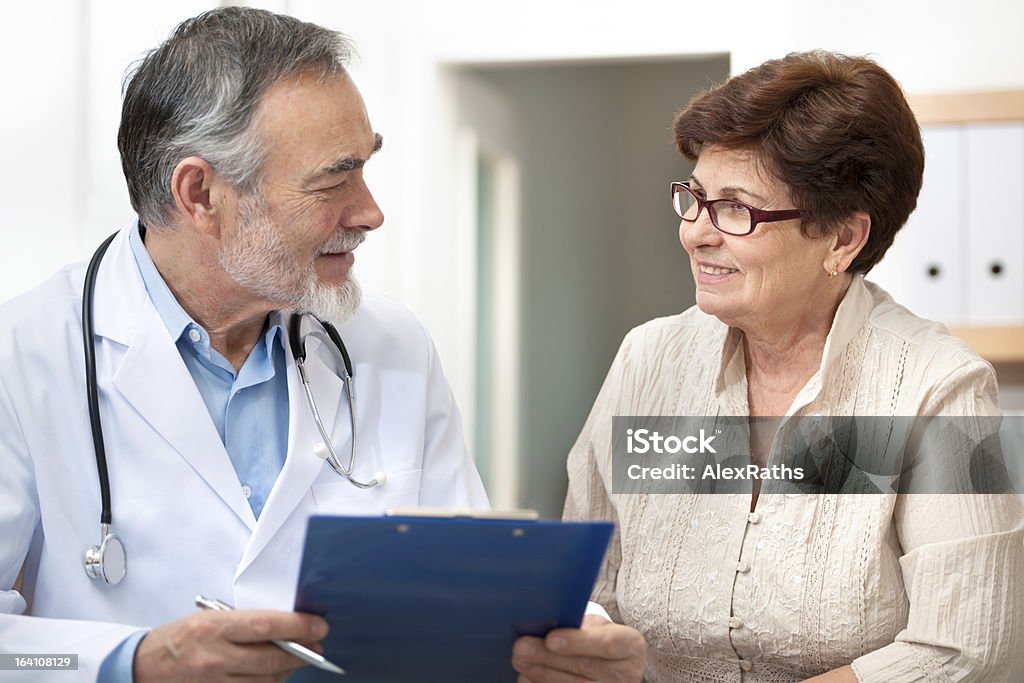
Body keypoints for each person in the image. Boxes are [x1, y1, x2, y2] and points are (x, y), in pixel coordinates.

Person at [0, 8, 494, 681]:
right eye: (332, 179)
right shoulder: (22, 357)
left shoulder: (391, 346)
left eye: (366, 166)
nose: (370, 210)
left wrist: (566, 637)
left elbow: (475, 588)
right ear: (200, 192)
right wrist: (133, 660)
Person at [544, 51, 1024, 682]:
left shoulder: (942, 387)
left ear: (843, 239)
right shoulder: (648, 360)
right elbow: (589, 587)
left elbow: (960, 646)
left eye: (736, 209)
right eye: (694, 197)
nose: (696, 233)